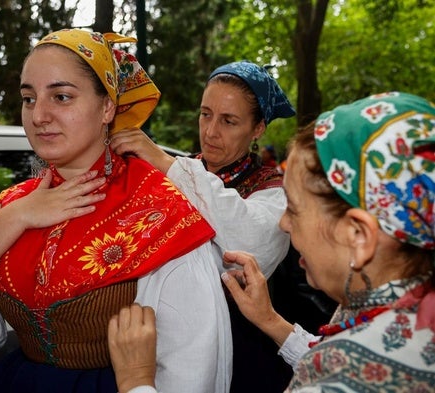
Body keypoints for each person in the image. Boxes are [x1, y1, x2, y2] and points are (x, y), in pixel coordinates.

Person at [0, 28, 232, 393]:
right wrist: (18, 216)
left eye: (61, 96)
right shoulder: (15, 202)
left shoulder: (159, 208)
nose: (39, 115)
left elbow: (192, 367)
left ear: (107, 107)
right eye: (29, 98)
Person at [108, 91, 435, 392]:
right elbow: (324, 355)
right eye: (205, 114)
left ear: (359, 236)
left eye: (293, 208)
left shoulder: (351, 379)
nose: (283, 223)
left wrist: (136, 379)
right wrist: (269, 319)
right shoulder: (397, 309)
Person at [111, 60, 333, 392]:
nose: (211, 132)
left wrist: (165, 163)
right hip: (154, 346)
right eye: (205, 114)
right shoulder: (176, 171)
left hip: (242, 356)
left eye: (229, 121)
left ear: (258, 129)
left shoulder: (273, 193)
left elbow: (246, 244)